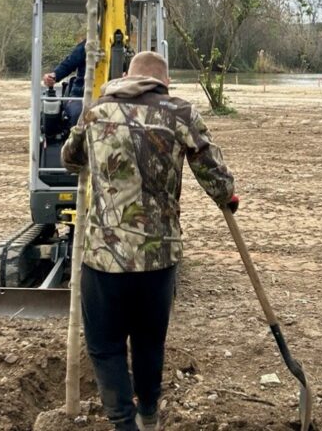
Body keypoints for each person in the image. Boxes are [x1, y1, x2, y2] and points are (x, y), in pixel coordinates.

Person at [61, 51, 238, 431]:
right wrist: (227, 196)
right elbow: (214, 174)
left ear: (127, 76)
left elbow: (70, 159)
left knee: (105, 346)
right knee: (148, 341)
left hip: (104, 259)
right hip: (159, 258)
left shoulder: (95, 112)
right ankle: (149, 416)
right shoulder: (180, 112)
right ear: (165, 82)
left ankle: (122, 423)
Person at [43, 37, 86, 127]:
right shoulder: (86, 46)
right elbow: (68, 64)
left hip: (116, 95)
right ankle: (76, 140)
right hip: (80, 95)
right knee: (79, 115)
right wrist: (55, 75)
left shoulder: (123, 48)